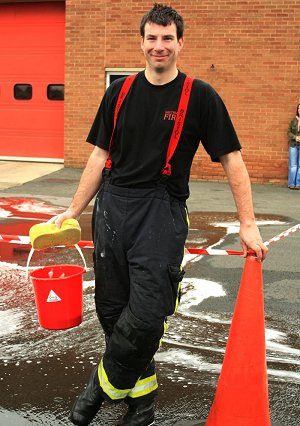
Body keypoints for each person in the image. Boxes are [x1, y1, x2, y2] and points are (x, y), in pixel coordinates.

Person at [50, 4, 268, 425]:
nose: (159, 46)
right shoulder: (119, 92)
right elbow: (99, 156)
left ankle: (95, 394)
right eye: (152, 38)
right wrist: (73, 210)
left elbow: (233, 159)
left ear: (180, 42)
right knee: (113, 314)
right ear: (142, 42)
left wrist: (247, 221)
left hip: (160, 211)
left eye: (167, 38)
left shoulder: (199, 95)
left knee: (148, 314)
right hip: (112, 208)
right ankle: (142, 402)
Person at [287, 103, 300, 189]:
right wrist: (295, 137)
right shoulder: (293, 121)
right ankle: (291, 183)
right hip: (293, 145)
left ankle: (298, 183)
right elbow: (288, 132)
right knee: (293, 165)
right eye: (299, 108)